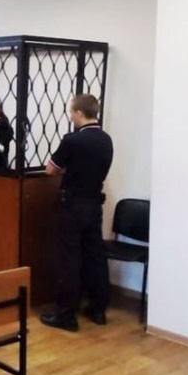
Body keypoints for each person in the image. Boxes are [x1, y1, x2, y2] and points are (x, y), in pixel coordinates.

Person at [41, 94, 114, 332]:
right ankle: (98, 309)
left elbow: (50, 170)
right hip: (94, 204)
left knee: (69, 259)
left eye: (71, 111)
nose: (70, 115)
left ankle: (66, 315)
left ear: (79, 113)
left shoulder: (72, 140)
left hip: (72, 206)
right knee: (95, 256)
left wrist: (67, 170)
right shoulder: (106, 140)